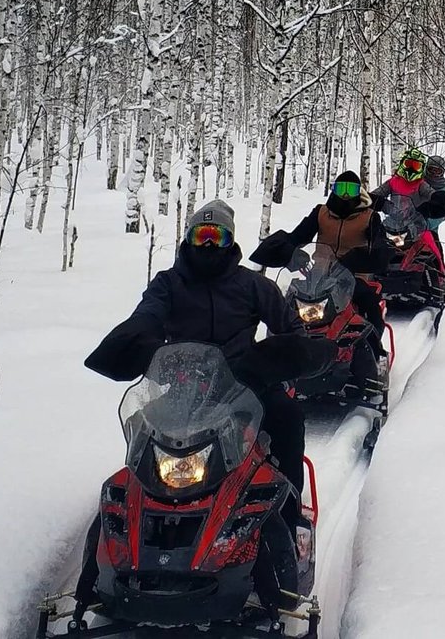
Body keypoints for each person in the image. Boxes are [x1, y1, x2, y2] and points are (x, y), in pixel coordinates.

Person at [75, 200, 331, 622]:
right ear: (189, 239)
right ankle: (112, 559)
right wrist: (135, 342)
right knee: (142, 441)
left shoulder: (253, 286)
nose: (208, 244)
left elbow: (290, 327)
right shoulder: (169, 284)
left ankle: (288, 513)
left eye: (217, 237)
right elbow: (147, 315)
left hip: (244, 388)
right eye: (201, 236)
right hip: (182, 389)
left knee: (287, 418)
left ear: (230, 241)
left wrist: (290, 357)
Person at [250, 171, 392, 364]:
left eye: (351, 190)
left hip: (354, 275)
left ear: (359, 192)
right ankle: (276, 351)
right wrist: (288, 250)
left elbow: (380, 245)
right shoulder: (321, 213)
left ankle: (374, 353)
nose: (345, 195)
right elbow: (298, 236)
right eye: (341, 189)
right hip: (319, 273)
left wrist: (365, 256)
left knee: (370, 305)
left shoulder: (369, 217)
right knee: (289, 302)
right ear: (333, 190)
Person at [371, 148, 445, 271]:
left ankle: (440, 276)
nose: (411, 169)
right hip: (395, 223)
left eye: (415, 166)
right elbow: (377, 193)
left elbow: (436, 200)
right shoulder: (394, 181)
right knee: (374, 241)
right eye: (408, 165)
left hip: (421, 226)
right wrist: (379, 203)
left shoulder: (424, 184)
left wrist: (431, 211)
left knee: (433, 247)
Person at [423, 155, 445, 264]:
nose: (434, 173)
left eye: (437, 171)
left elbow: (442, 215)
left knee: (436, 255)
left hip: (429, 230)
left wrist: (425, 224)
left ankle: (440, 277)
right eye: (431, 170)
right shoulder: (418, 182)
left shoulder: (443, 189)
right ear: (426, 169)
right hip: (406, 226)